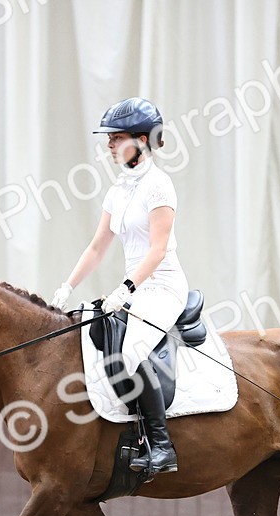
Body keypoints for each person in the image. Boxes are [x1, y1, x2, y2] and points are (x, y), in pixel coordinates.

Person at [50, 97, 187, 478]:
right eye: (108, 138)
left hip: (162, 286)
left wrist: (126, 287)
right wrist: (67, 285)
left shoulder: (159, 187)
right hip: (137, 288)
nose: (109, 144)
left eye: (116, 137)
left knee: (131, 350)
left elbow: (158, 250)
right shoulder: (119, 191)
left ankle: (162, 446)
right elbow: (97, 247)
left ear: (141, 140)